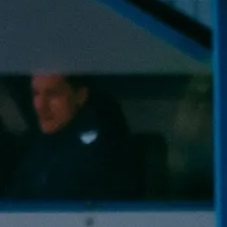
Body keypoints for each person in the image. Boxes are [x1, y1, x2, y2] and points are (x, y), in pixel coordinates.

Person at [5, 73, 137, 201]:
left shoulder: (100, 151)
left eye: (53, 94)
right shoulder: (37, 147)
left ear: (81, 96)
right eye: (35, 93)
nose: (40, 106)